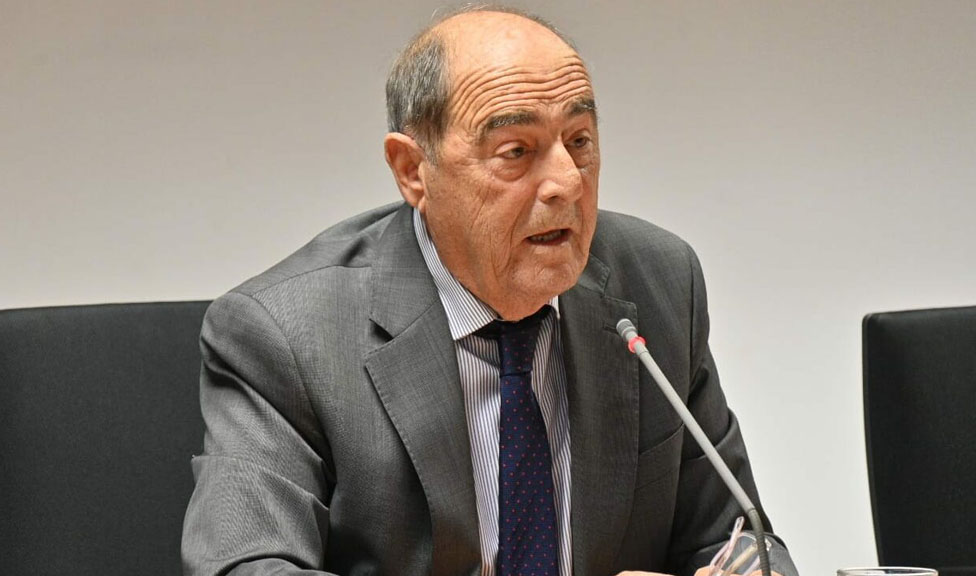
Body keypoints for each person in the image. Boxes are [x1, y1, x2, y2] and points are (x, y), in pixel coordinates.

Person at [182, 7, 798, 576]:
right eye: (516, 151)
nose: (566, 183)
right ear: (412, 170)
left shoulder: (660, 282)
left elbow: (738, 538)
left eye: (579, 141)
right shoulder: (287, 333)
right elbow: (245, 566)